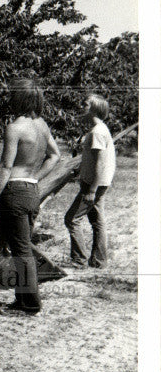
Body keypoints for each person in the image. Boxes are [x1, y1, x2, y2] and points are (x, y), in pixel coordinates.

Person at [0, 77, 61, 314]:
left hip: (14, 191)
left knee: (21, 251)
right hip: (31, 191)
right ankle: (21, 300)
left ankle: (30, 304)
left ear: (17, 99)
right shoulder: (42, 126)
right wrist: (36, 178)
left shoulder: (14, 127)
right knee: (23, 246)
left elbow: (6, 166)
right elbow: (55, 156)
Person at [64, 94, 115, 268]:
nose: (81, 106)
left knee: (72, 219)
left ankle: (80, 261)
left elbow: (100, 162)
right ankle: (100, 261)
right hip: (99, 182)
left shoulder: (97, 132)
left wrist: (91, 190)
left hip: (94, 184)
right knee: (97, 220)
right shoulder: (99, 129)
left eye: (84, 104)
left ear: (94, 109)